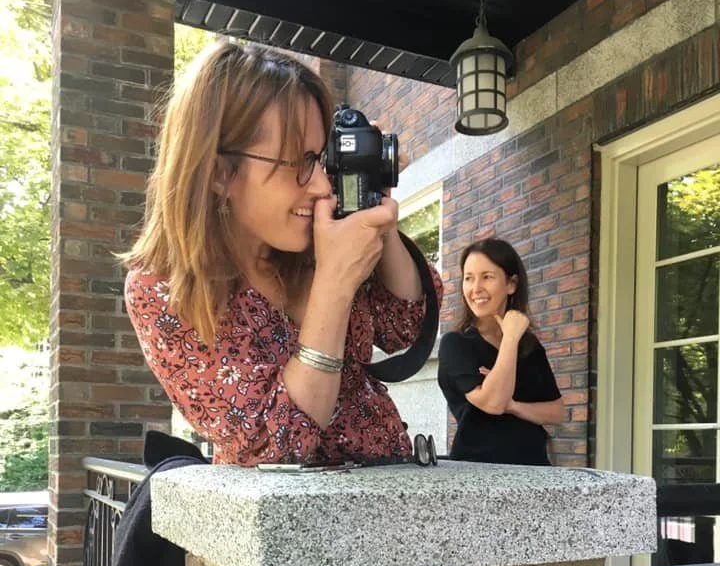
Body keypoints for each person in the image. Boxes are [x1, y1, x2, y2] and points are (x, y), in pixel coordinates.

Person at [123, 39, 442, 466]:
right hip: (281, 506)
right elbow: (279, 444)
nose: (322, 185)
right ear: (219, 173)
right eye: (299, 162)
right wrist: (334, 284)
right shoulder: (161, 290)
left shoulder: (316, 236)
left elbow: (406, 326)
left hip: (387, 480)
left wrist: (375, 213)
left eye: (322, 159)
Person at [437, 238, 565, 465]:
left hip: (534, 470)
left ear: (511, 284)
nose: (476, 288)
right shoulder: (456, 344)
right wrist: (510, 338)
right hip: (479, 471)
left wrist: (513, 406)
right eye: (469, 278)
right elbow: (494, 403)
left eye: (487, 277)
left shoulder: (529, 346)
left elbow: (556, 412)